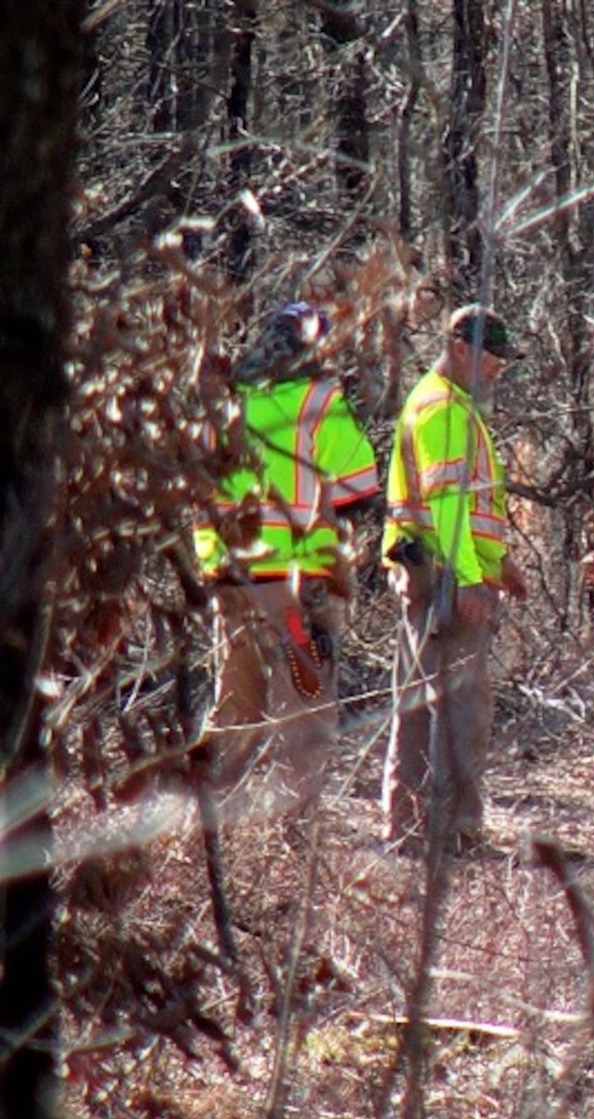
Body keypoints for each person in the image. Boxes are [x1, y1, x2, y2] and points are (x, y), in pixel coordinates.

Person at [193, 300, 381, 817]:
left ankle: (207, 822)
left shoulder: (224, 402)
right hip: (296, 588)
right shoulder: (319, 399)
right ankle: (296, 827)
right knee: (307, 709)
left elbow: (196, 491)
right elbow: (358, 486)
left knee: (237, 707)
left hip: (230, 580)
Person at [380, 303, 528, 852]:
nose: (498, 370)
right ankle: (455, 833)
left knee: (423, 705)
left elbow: (469, 510)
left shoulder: (444, 404)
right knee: (461, 712)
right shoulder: (444, 410)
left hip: (436, 575)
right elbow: (448, 508)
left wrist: (499, 563)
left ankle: (413, 831)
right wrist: (469, 580)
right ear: (461, 349)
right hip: (444, 582)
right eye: (492, 358)